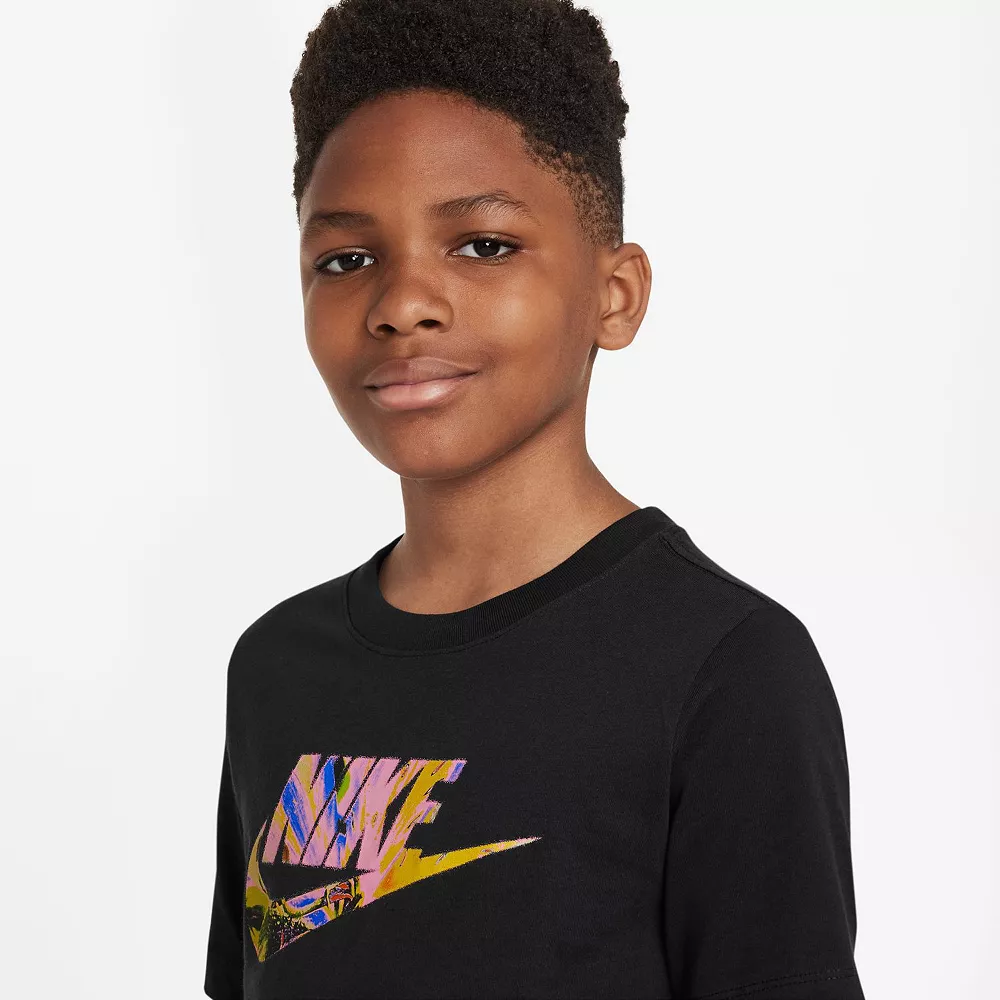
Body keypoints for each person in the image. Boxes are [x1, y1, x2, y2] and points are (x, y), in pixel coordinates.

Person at [204, 1, 865, 997]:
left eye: (483, 245)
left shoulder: (722, 670)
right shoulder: (277, 669)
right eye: (346, 260)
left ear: (615, 294)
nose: (402, 304)